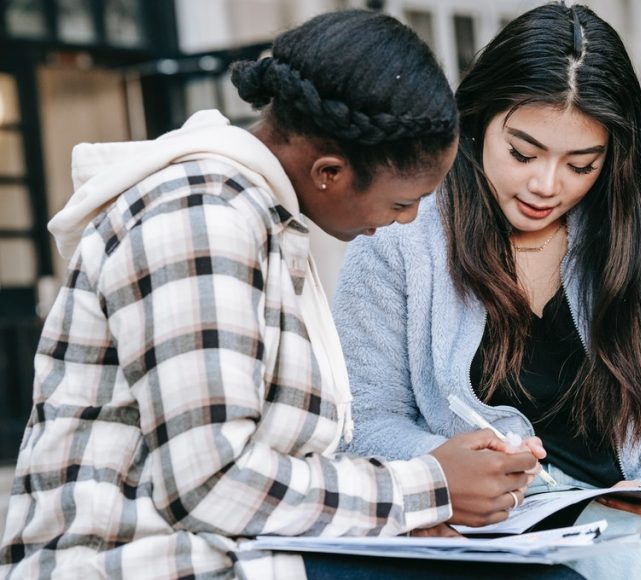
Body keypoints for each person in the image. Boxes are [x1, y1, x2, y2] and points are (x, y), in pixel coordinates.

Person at [0, 10, 582, 580]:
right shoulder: (200, 221)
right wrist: (428, 488)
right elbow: (211, 486)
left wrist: (399, 518)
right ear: (329, 171)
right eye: (403, 203)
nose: (406, 222)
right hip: (129, 561)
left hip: (240, 553)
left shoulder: (259, 219)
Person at [333, 3, 641, 580]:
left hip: (636, 527)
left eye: (581, 165)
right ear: (477, 120)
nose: (546, 186)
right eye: (522, 153)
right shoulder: (400, 236)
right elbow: (363, 421)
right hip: (487, 536)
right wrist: (449, 470)